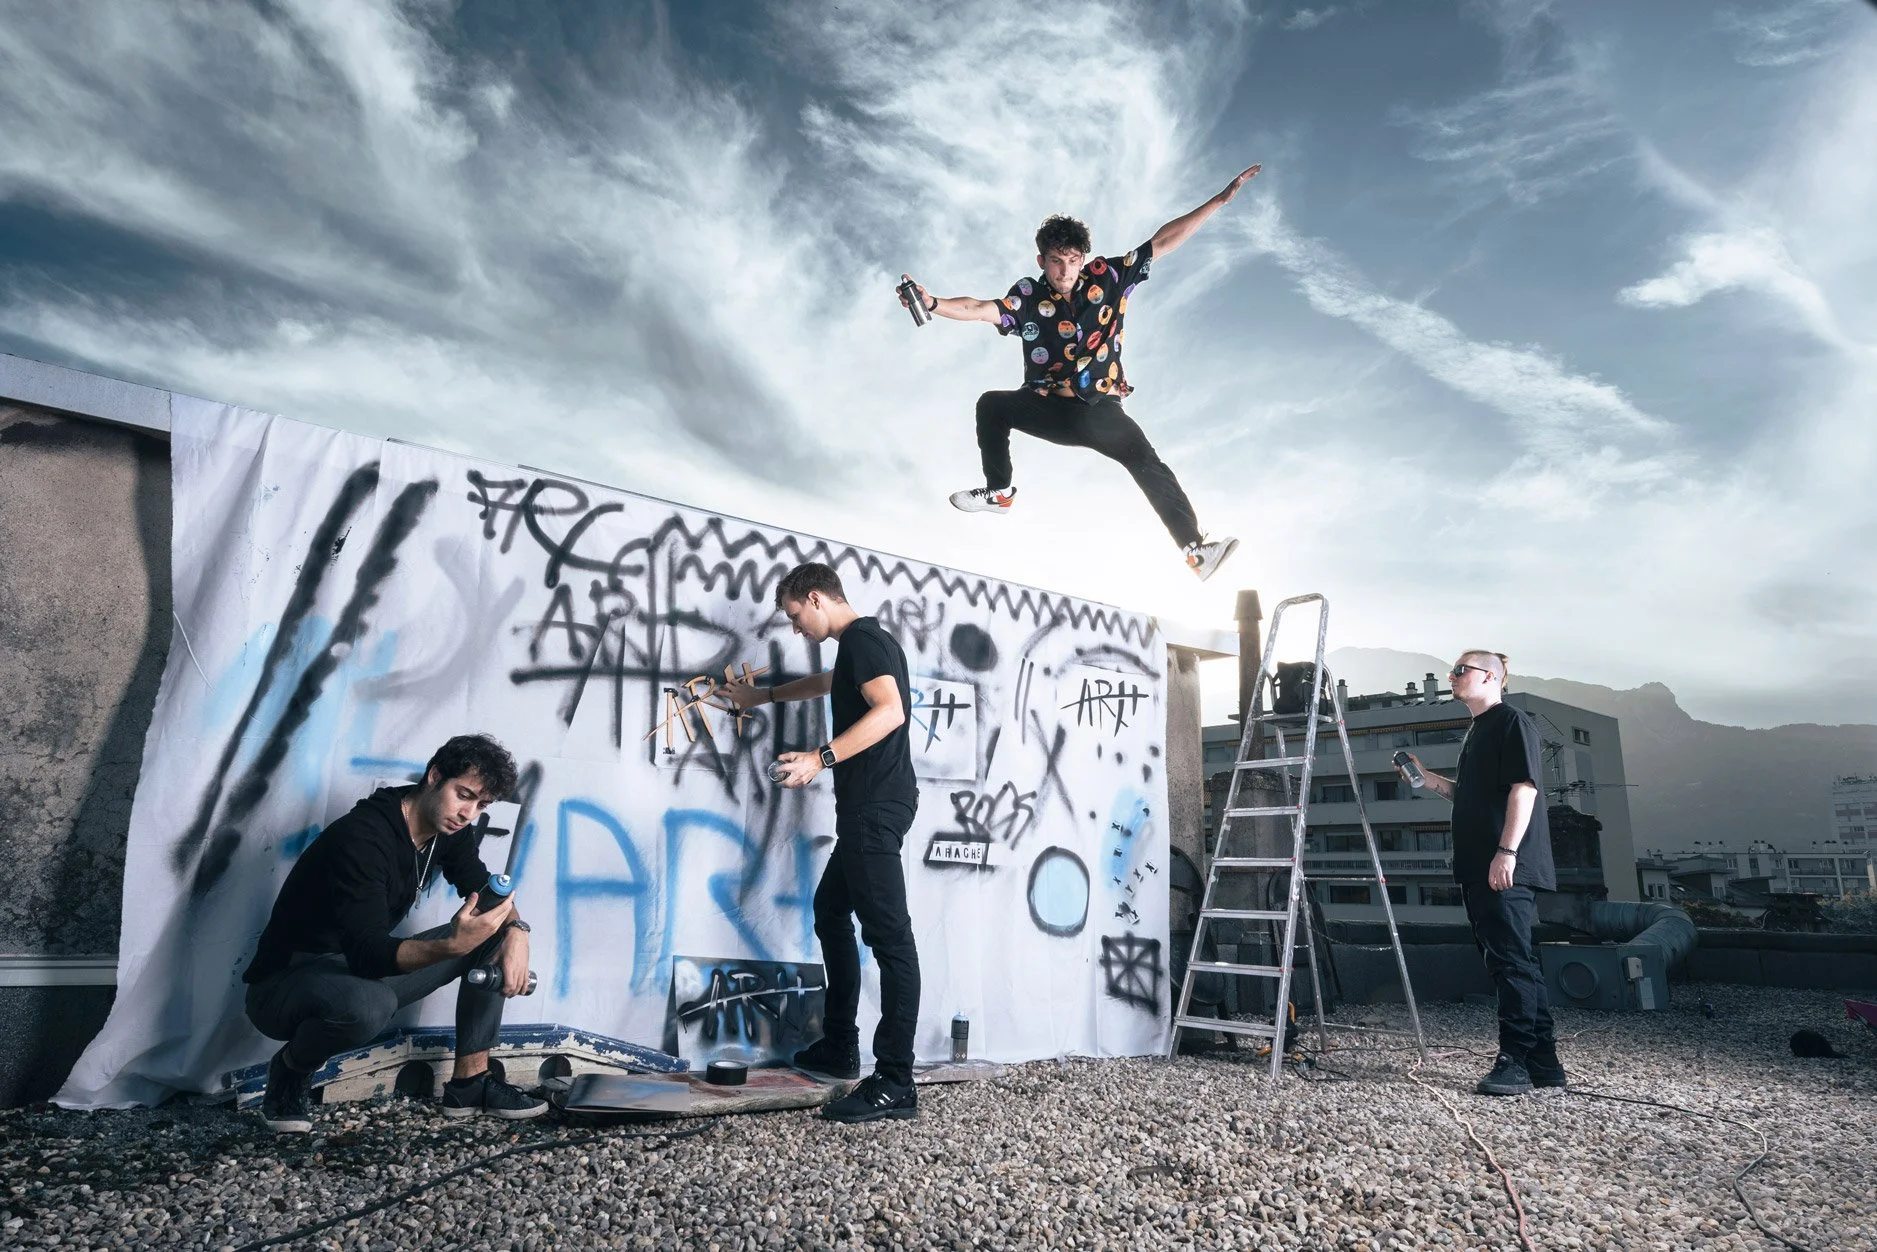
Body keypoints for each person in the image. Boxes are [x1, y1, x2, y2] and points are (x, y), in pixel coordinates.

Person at [896, 163, 1262, 582]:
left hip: (1098, 411)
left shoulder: (1108, 277)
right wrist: (933, 302)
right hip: (1049, 408)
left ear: (1083, 259)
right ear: (1042, 260)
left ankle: (1195, 551)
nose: (1065, 272)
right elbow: (981, 309)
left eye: (1072, 261)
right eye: (1055, 262)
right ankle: (999, 491)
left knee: (1146, 462)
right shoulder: (1028, 296)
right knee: (992, 405)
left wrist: (1217, 201)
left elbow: (1163, 242)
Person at [242, 734, 545, 1132]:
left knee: (493, 932)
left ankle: (470, 1083)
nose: (468, 813)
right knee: (370, 1006)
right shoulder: (364, 837)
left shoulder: (448, 829)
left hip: (353, 971)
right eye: (463, 795)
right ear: (435, 776)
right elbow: (368, 955)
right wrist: (450, 945)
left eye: (481, 805)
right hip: (287, 985)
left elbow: (487, 891)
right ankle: (291, 1070)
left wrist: (517, 931)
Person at [717, 562, 922, 1123]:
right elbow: (828, 684)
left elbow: (891, 711)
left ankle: (896, 1080)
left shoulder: (863, 639)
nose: (795, 628)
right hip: (868, 808)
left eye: (794, 616)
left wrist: (819, 758)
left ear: (815, 598)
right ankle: (840, 1046)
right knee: (831, 912)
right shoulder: (860, 645)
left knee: (890, 940)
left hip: (876, 808)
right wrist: (763, 697)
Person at [1399, 652, 1564, 1095]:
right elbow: (1469, 796)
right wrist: (1427, 779)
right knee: (1515, 961)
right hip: (1480, 864)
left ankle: (1514, 1061)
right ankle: (1544, 1063)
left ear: (1490, 676)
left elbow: (1524, 788)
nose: (1452, 677)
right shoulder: (1478, 730)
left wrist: (1506, 852)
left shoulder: (1511, 722)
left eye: (1460, 670)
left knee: (1511, 964)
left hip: (1504, 864)